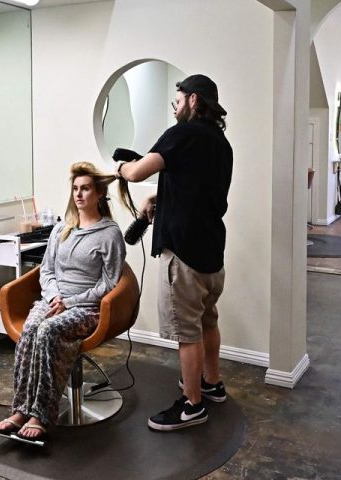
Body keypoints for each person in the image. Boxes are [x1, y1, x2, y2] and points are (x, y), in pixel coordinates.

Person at [115, 74, 233, 431]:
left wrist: (120, 167)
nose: (175, 107)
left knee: (187, 333)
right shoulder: (221, 143)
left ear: (193, 100)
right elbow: (196, 187)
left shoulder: (181, 134)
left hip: (183, 255)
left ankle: (192, 405)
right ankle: (211, 383)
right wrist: (161, 196)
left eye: (177, 100)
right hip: (212, 252)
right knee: (207, 320)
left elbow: (136, 173)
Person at [0, 162, 127, 443]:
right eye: (75, 188)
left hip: (87, 308)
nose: (79, 194)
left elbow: (109, 283)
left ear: (99, 193)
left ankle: (40, 415)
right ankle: (20, 410)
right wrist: (54, 297)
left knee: (48, 331)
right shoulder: (62, 229)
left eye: (85, 188)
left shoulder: (109, 233)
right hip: (53, 301)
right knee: (30, 330)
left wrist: (70, 301)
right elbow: (47, 270)